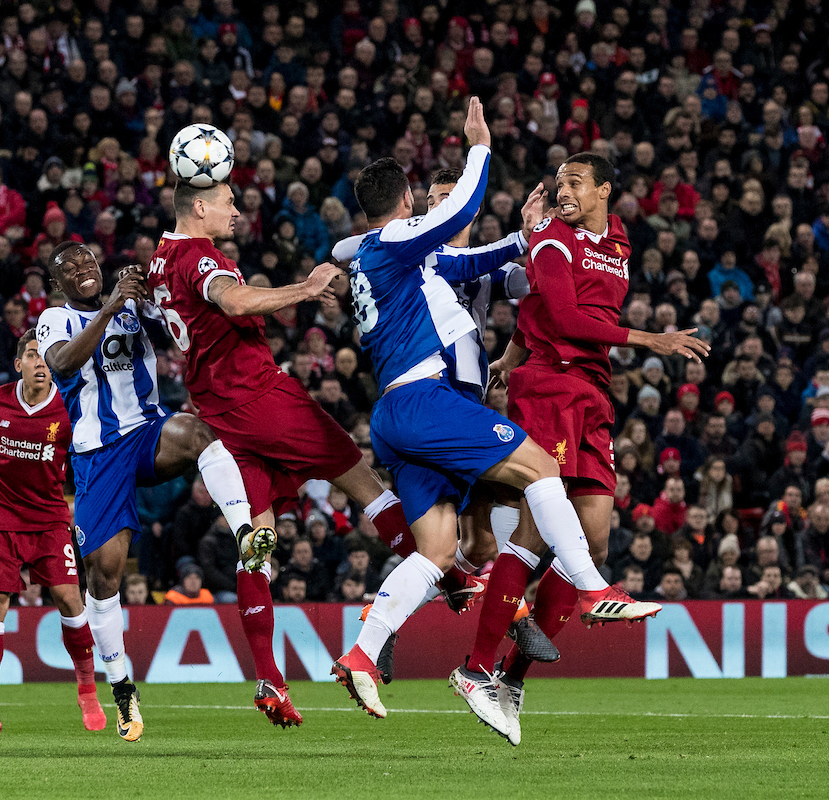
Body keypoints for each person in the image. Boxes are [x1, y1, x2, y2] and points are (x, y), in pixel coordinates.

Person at [326, 101, 660, 727]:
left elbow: (487, 265)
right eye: (425, 199)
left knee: (437, 549)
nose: (436, 209)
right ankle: (592, 588)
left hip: (401, 415)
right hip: (430, 401)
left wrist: (529, 234)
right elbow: (458, 223)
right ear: (407, 200)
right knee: (540, 470)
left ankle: (363, 654)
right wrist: (480, 148)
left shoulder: (379, 254)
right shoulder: (400, 243)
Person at [147, 148, 453, 729]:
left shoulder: (162, 259)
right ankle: (442, 572)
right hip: (258, 398)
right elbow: (232, 300)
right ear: (203, 205)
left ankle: (268, 676)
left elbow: (219, 314)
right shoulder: (199, 257)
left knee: (258, 539)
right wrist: (306, 288)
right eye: (230, 200)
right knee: (356, 473)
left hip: (219, 410)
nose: (237, 208)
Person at [477, 151, 711, 745]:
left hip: (593, 394)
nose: (563, 190)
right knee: (536, 532)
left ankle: (512, 678)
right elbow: (562, 313)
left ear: (606, 189)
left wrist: (508, 351)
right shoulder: (552, 239)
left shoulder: (618, 243)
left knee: (596, 537)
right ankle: (475, 668)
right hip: (551, 387)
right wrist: (649, 338)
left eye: (575, 182)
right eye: (558, 182)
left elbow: (534, 310)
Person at [39, 245, 266, 740]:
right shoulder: (55, 318)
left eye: (88, 264)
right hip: (96, 451)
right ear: (57, 283)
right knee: (105, 574)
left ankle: (246, 532)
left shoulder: (129, 300)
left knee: (196, 432)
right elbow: (61, 365)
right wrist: (112, 306)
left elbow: (177, 328)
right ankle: (122, 690)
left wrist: (155, 295)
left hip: (146, 431)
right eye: (69, 269)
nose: (83, 272)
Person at [0, 330, 106, 735]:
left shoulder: (69, 405)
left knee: (68, 599)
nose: (41, 363)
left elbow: (89, 453)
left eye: (46, 357)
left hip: (48, 519)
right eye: (32, 356)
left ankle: (87, 692)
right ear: (19, 365)